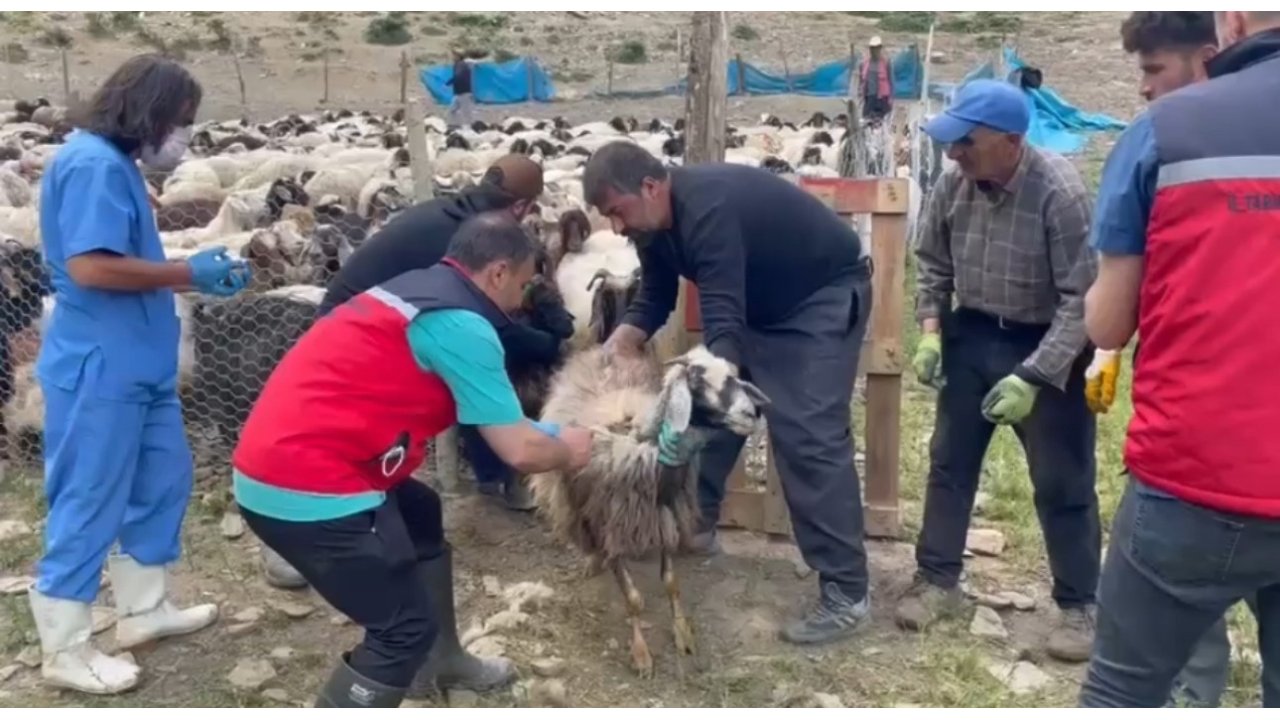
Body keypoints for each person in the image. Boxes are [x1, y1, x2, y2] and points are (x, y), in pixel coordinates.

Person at [232, 212, 594, 708]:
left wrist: (557, 429)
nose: (523, 300)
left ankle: (440, 662)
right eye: (526, 285)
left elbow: (502, 420)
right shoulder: (466, 327)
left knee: (420, 510)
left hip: (289, 457)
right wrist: (568, 451)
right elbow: (521, 451)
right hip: (304, 484)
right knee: (401, 630)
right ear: (498, 273)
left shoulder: (416, 290)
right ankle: (409, 659)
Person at [582, 141, 875, 646]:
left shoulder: (710, 209)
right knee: (703, 419)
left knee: (808, 437)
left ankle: (847, 594)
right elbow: (657, 292)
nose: (615, 227)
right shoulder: (654, 223)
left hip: (819, 301)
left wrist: (710, 383)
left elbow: (720, 314)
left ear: (650, 188)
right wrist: (623, 337)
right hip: (761, 308)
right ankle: (694, 527)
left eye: (616, 212)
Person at [28, 54, 251, 695]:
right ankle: (65, 646)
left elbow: (123, 258)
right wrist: (187, 273)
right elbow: (94, 268)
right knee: (90, 494)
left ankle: (143, 608)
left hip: (139, 359)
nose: (184, 136)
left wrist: (186, 261)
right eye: (181, 122)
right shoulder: (93, 164)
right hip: (101, 363)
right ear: (148, 112)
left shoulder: (114, 164)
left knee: (161, 478)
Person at [1078, 11, 1280, 708]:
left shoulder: (1166, 132)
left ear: (1230, 25)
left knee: (1125, 691)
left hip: (1197, 478)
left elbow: (1107, 320)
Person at [251, 155, 564, 591]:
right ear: (520, 209)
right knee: (337, 430)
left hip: (359, 317)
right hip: (362, 328)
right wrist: (549, 345)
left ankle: (484, 483)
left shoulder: (453, 219)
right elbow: (489, 346)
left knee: (418, 475)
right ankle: (295, 533)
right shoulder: (476, 251)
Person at [900, 79, 1100, 663]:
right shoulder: (951, 184)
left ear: (1011, 142)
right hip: (974, 332)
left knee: (1062, 480)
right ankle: (936, 581)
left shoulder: (1059, 192)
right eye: (950, 141)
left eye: (966, 142)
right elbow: (932, 263)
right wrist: (932, 335)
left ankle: (1080, 604)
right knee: (949, 462)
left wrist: (1035, 376)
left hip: (1047, 339)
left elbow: (1080, 302)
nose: (953, 153)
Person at [861, 36, 894, 124]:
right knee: (866, 120)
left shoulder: (885, 62)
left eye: (876, 48)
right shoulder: (865, 63)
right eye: (872, 48)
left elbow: (891, 80)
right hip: (870, 96)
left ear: (880, 48)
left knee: (882, 121)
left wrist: (891, 98)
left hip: (882, 97)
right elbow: (862, 80)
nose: (874, 51)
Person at [447, 50, 474, 129]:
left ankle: (470, 128)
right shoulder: (458, 65)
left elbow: (458, 76)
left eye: (453, 55)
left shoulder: (461, 65)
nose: (451, 57)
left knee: (466, 112)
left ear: (458, 56)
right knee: (452, 110)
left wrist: (449, 82)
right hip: (459, 92)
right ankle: (456, 125)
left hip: (463, 92)